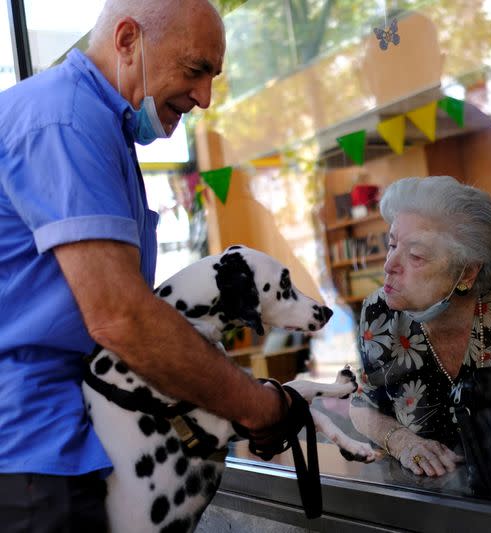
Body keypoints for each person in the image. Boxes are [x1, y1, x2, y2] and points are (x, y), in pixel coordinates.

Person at [0, 1, 292, 529]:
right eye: (195, 69)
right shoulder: (66, 119)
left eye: (213, 77)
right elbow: (122, 319)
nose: (204, 97)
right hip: (31, 455)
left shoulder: (93, 122)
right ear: (128, 40)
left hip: (64, 444)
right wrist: (256, 407)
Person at [349, 176, 491, 503]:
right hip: (429, 502)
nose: (389, 266)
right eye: (392, 244)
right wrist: (401, 441)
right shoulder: (380, 312)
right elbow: (363, 404)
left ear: (468, 273)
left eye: (415, 255)